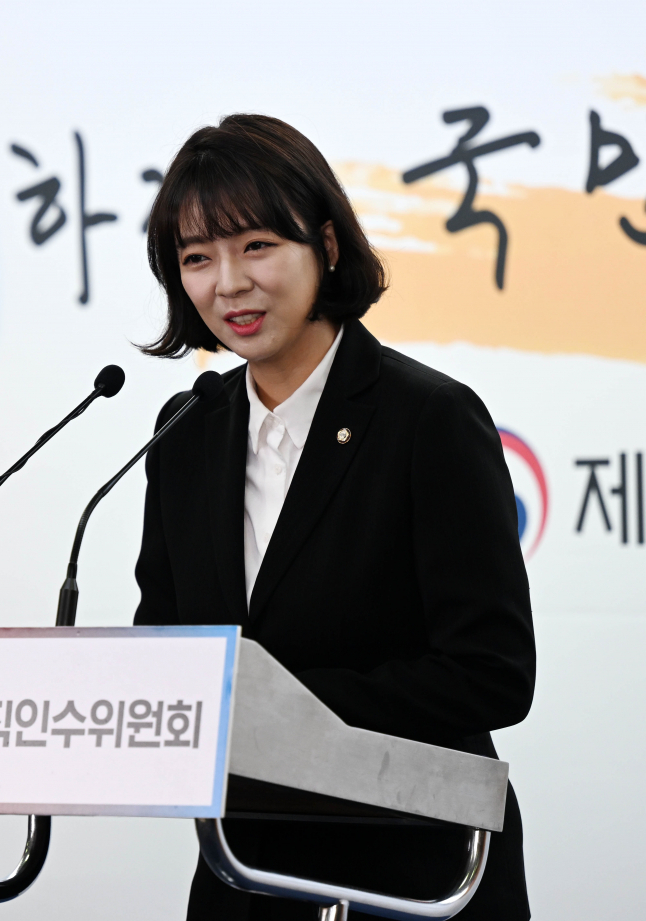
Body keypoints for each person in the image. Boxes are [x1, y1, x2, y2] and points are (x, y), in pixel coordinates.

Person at [133, 114, 535, 921]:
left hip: (413, 873)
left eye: (255, 246)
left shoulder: (429, 419)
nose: (228, 283)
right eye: (197, 258)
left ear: (326, 244)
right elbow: (169, 648)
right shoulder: (187, 432)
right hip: (244, 873)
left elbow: (493, 670)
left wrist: (289, 711)